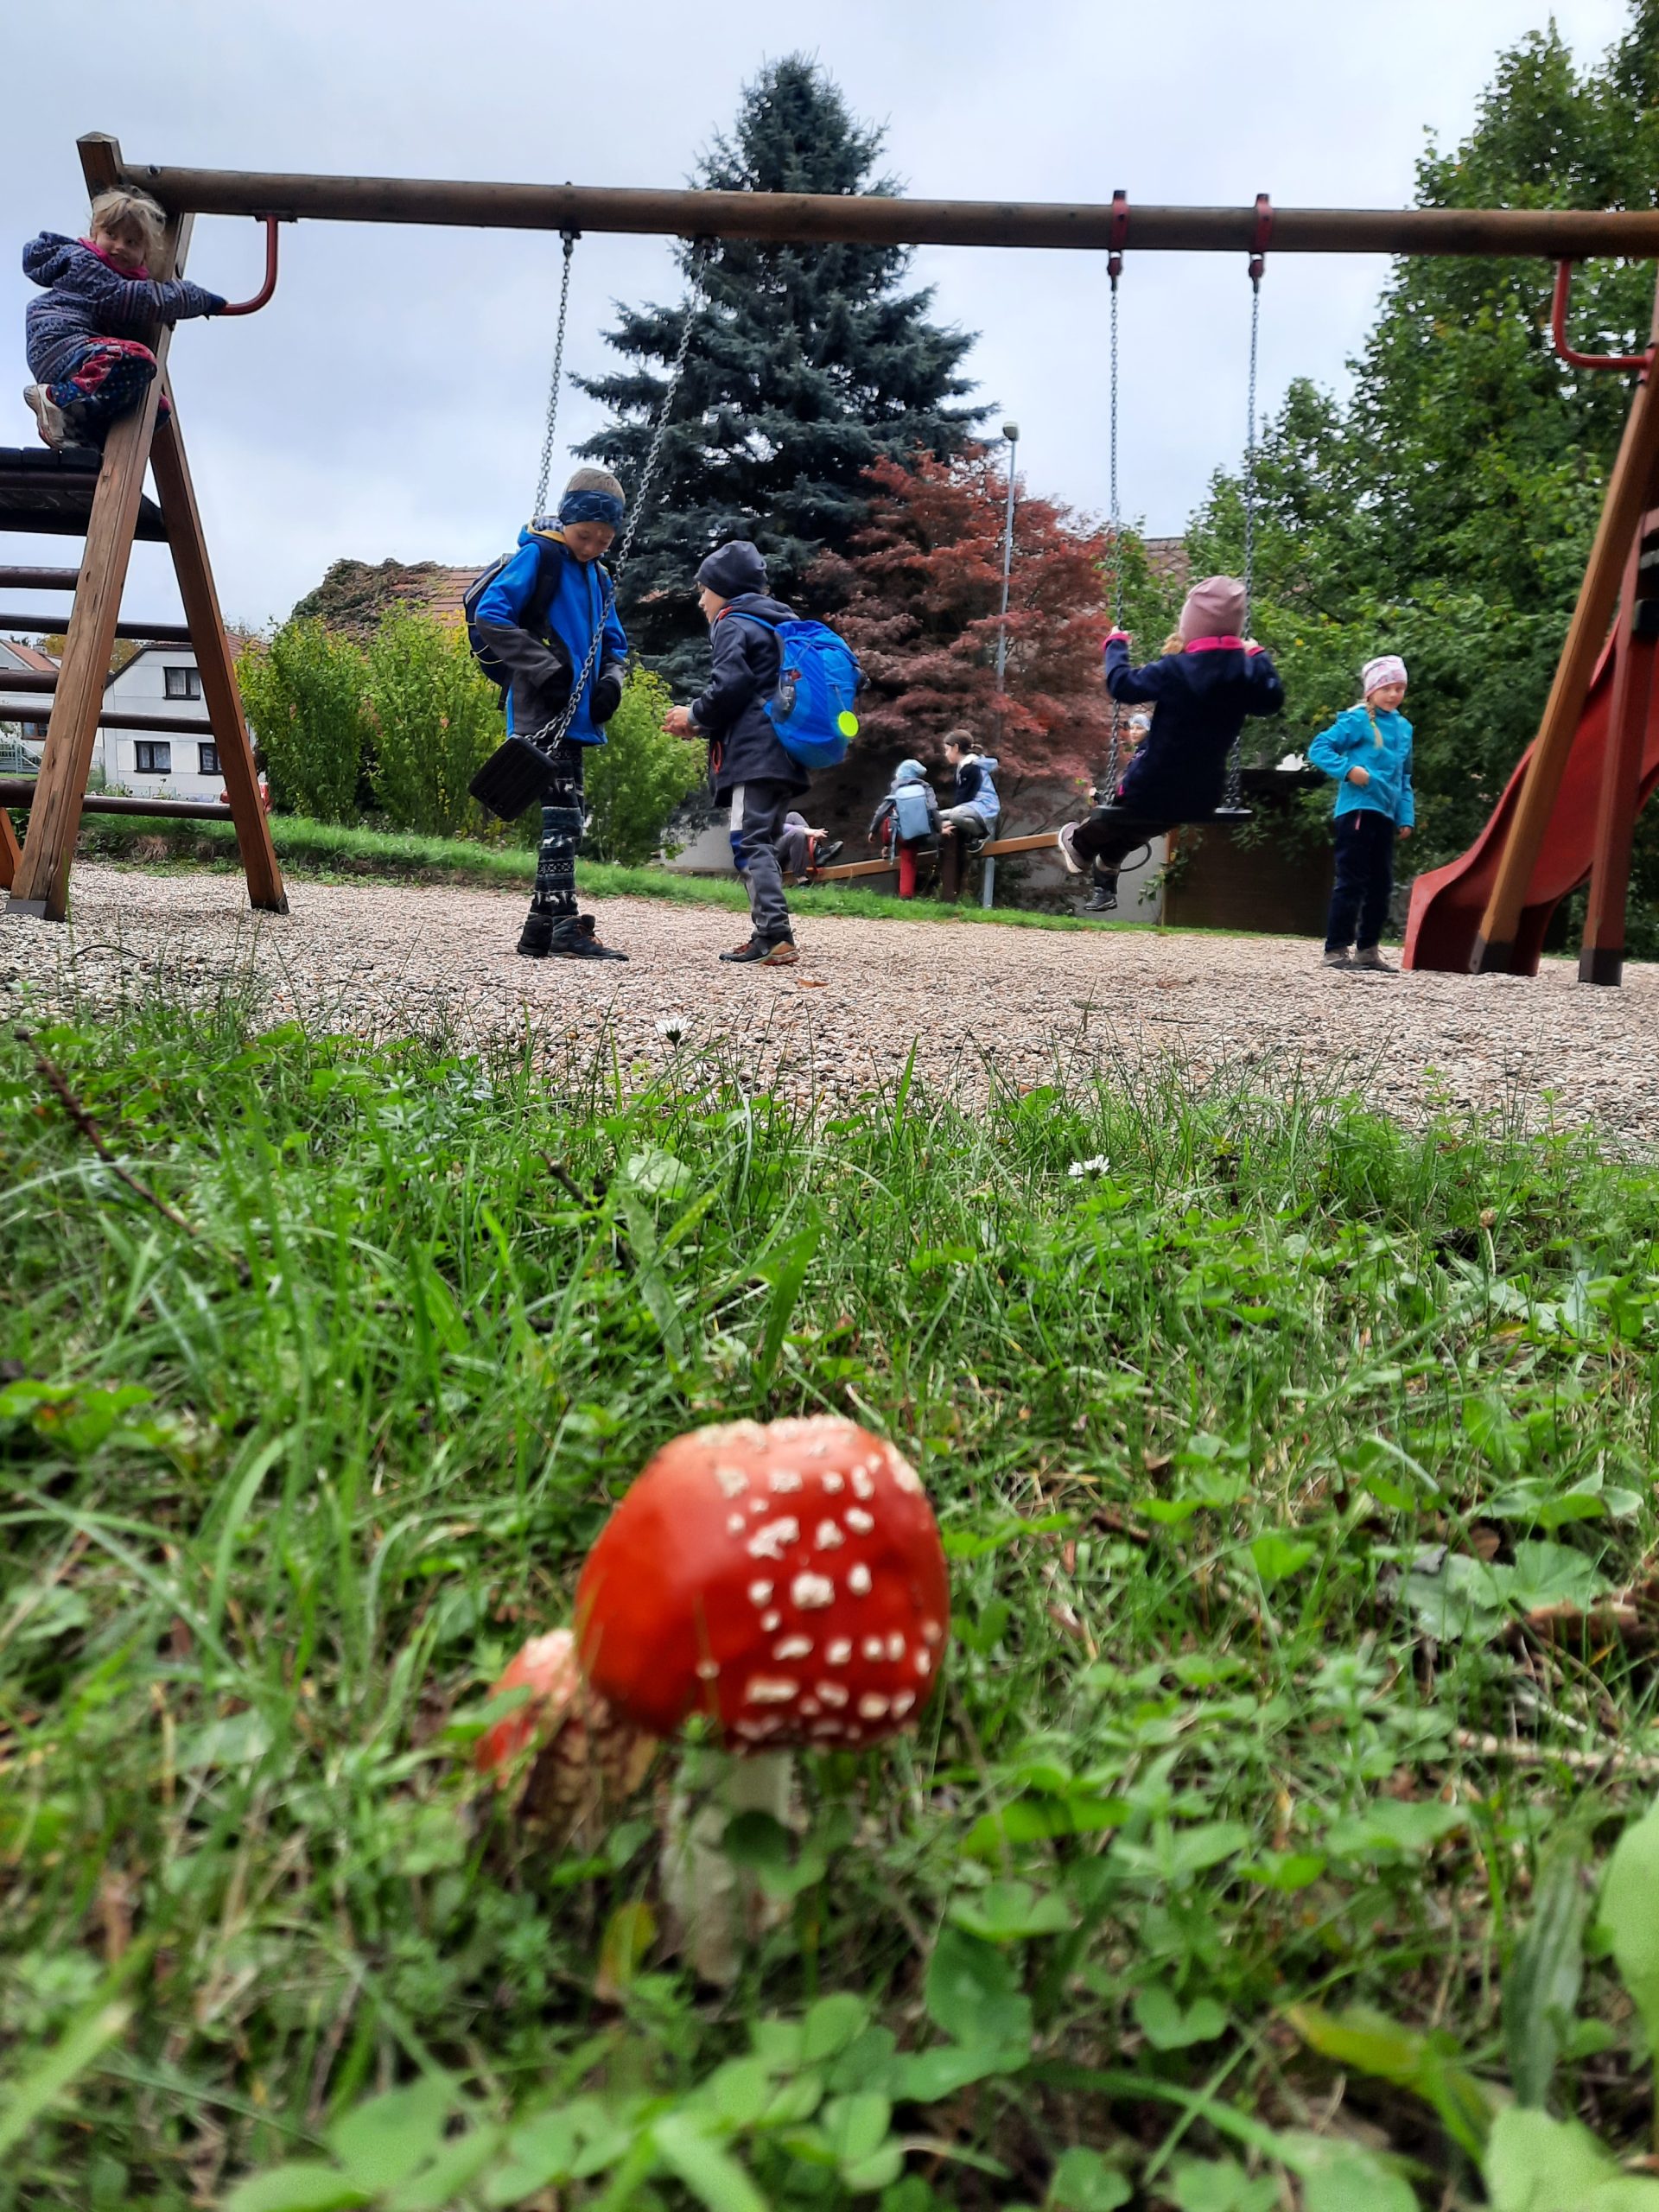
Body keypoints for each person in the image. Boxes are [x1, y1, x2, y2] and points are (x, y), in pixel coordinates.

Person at [473, 467, 631, 960]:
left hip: (580, 718)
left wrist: (611, 684)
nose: (593, 547)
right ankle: (562, 925)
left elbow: (616, 644)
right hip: (542, 711)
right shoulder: (539, 557)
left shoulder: (599, 577)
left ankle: (539, 928)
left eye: (604, 541)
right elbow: (492, 614)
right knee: (563, 819)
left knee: (569, 818)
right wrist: (545, 670)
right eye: (585, 536)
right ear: (567, 522)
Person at [1057, 575, 1284, 912]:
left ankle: (1081, 846)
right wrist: (1259, 655)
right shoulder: (1246, 675)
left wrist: (1116, 645)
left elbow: (1121, 685)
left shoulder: (1176, 668)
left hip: (1151, 783)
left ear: (1191, 626)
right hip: (1203, 794)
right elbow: (1273, 699)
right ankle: (1112, 857)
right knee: (1155, 820)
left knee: (1127, 811)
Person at [663, 541, 808, 966]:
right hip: (786, 751)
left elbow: (730, 687)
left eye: (704, 590)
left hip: (754, 754)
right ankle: (771, 930)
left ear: (724, 588)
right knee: (765, 839)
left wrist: (693, 715)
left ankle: (774, 934)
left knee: (748, 840)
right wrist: (703, 723)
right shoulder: (778, 624)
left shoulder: (733, 623)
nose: (701, 600)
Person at [22, 188, 225, 451]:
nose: (119, 246)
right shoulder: (86, 265)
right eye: (111, 235)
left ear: (144, 254)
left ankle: (83, 432)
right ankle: (56, 399)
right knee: (136, 357)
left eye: (132, 242)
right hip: (62, 341)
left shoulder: (113, 277)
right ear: (94, 234)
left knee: (154, 407)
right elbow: (141, 299)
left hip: (79, 351)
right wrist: (198, 299)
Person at [1308, 654, 1415, 972]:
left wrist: (1405, 815)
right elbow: (1319, 748)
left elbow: (1404, 777)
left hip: (1385, 813)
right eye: (1387, 688)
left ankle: (1368, 950)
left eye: (1399, 688)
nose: (1393, 694)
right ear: (1372, 691)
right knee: (1352, 880)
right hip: (1357, 809)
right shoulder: (1357, 720)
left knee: (1382, 884)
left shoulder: (1404, 728)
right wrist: (1349, 770)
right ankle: (1336, 949)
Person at [1081, 709, 1152, 912]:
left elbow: (1130, 786)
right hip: (1138, 813)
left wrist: (1109, 799)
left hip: (1138, 814)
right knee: (1110, 854)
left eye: (1139, 728)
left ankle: (1104, 893)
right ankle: (1105, 895)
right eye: (1132, 728)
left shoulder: (1145, 755)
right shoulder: (1141, 753)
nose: (1134, 732)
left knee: (1101, 843)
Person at [868, 758, 941, 899]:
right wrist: (940, 829)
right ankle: (912, 893)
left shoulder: (897, 789)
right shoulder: (926, 788)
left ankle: (905, 894)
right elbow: (933, 808)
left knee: (890, 820)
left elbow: (881, 812)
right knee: (911, 857)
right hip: (925, 834)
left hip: (902, 836)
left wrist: (873, 831)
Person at [938, 731, 1001, 846]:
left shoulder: (971, 767)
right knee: (936, 816)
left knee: (955, 815)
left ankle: (982, 835)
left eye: (947, 750)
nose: (946, 754)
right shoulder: (963, 766)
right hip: (973, 807)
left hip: (984, 807)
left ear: (955, 748)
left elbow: (964, 797)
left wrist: (951, 821)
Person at [778, 811, 842, 880]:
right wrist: (806, 830)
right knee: (797, 834)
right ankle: (801, 877)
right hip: (770, 860)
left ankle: (816, 852)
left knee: (793, 816)